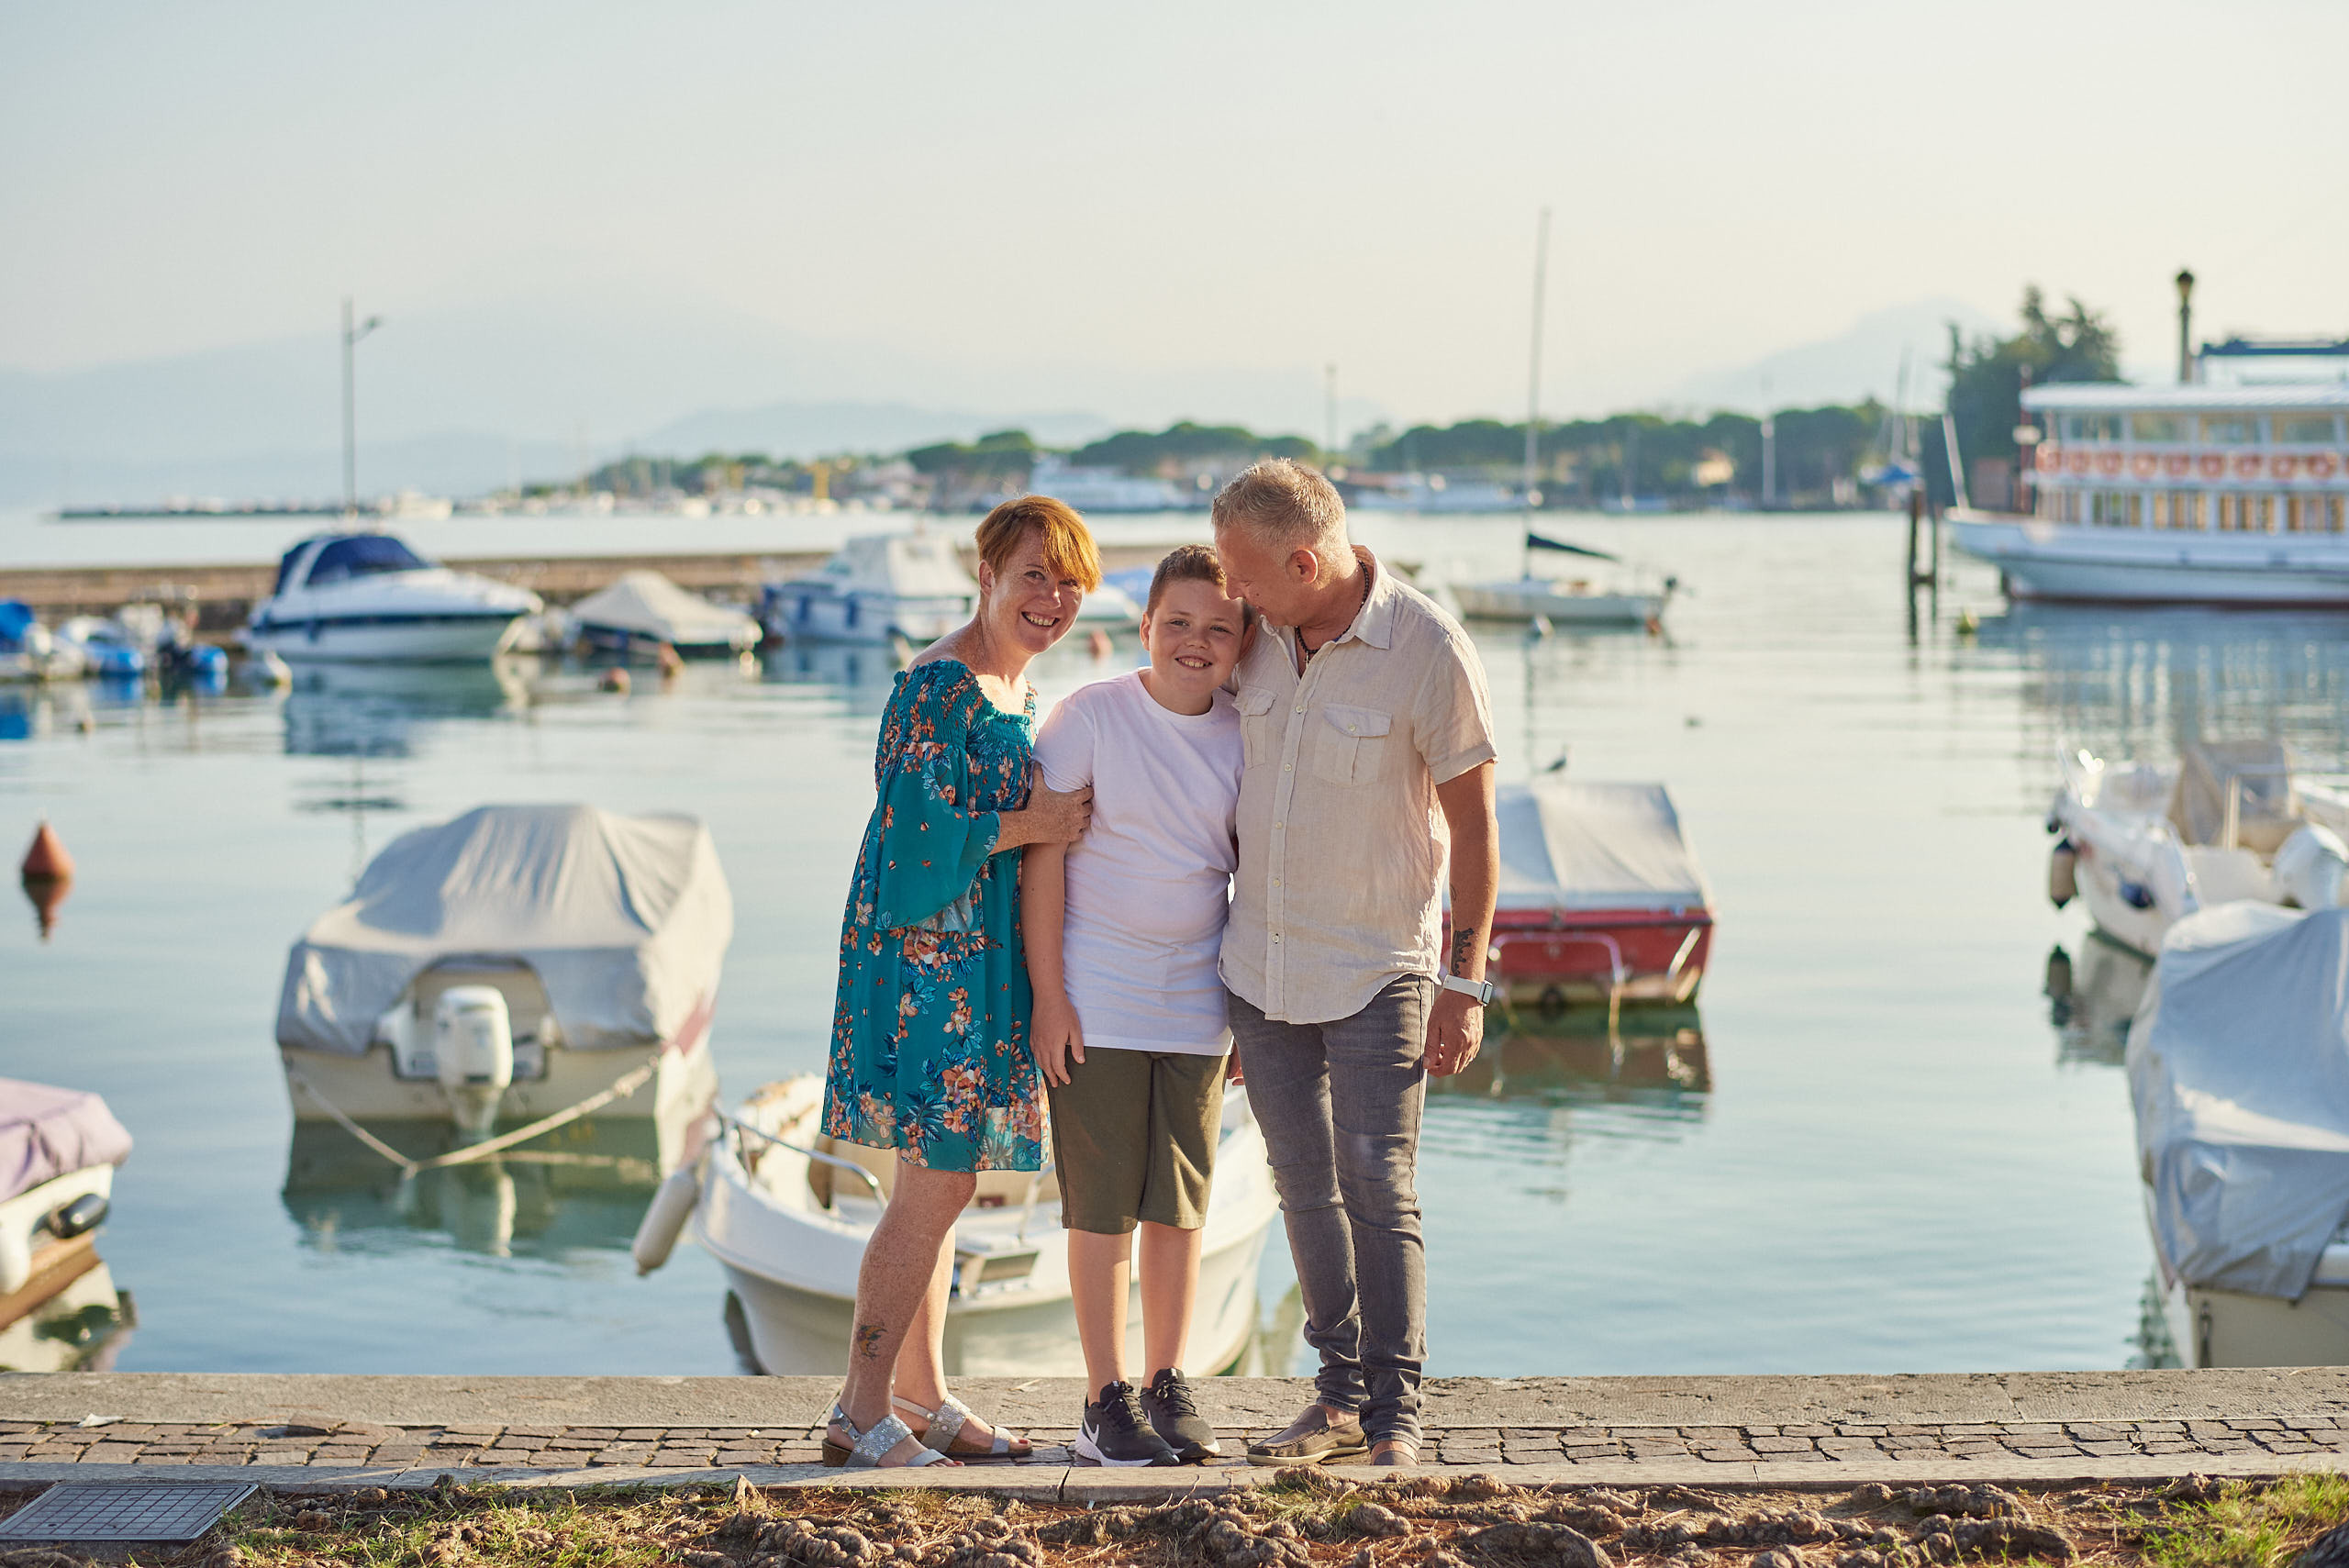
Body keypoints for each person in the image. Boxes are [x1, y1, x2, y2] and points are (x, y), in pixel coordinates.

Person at [1209, 459, 1499, 1468]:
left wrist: (1464, 985)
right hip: (1259, 969)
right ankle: (1335, 1393)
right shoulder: (1252, 640)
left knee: (1377, 1178)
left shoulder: (1427, 647)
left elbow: (1474, 830)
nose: (1231, 596)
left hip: (1382, 965)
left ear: (1302, 560)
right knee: (1298, 1181)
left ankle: (1397, 1411)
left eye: (1245, 577)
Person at [818, 495, 1103, 1469]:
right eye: (1034, 574)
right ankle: (859, 1409)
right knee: (937, 1183)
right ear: (985, 576)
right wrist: (1038, 824)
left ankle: (921, 1392)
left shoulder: (1009, 688)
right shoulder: (935, 688)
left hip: (972, 964)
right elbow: (905, 847)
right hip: (924, 967)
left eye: (1069, 582)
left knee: (939, 1183)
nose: (1052, 597)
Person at [1022, 546, 1253, 1467]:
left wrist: (1242, 1008)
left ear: (1241, 642)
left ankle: (1166, 1381)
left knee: (1181, 1207)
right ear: (1146, 626)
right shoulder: (1090, 718)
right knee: (1100, 1210)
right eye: (1178, 623)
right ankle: (1101, 1397)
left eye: (1217, 627)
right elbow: (1042, 861)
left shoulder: (1245, 733)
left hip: (1198, 1004)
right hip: (1098, 1000)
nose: (1195, 642)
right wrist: (1050, 998)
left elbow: (1251, 875)